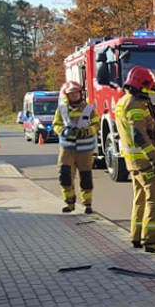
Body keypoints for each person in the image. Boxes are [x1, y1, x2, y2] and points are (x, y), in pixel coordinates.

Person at [115, 66, 155, 253]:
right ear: (140, 86)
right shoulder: (135, 104)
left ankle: (137, 236)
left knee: (140, 198)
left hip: (132, 161)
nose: (150, 92)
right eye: (148, 88)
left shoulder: (123, 101)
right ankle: (152, 241)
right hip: (145, 160)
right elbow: (139, 135)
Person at [53, 80, 100, 214]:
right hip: (67, 149)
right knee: (65, 176)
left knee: (85, 177)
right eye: (71, 94)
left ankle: (87, 204)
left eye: (76, 93)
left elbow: (96, 125)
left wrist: (86, 131)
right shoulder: (61, 109)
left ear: (81, 94)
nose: (74, 96)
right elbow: (56, 125)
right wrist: (63, 131)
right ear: (67, 96)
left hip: (85, 150)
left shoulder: (89, 109)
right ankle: (69, 203)